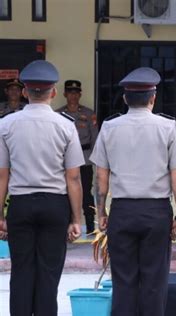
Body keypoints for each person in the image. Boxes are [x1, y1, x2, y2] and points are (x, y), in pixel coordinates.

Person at [90, 67, 176, 316]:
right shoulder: (168, 127)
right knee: (154, 282)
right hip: (156, 212)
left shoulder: (110, 128)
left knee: (123, 281)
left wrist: (101, 212)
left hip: (122, 211)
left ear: (125, 99)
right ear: (152, 98)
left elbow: (101, 176)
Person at [0, 60, 84, 315]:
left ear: (25, 91)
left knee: (22, 271)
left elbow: (2, 175)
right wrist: (76, 219)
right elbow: (73, 178)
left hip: (21, 204)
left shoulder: (6, 124)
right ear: (54, 92)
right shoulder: (66, 126)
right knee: (49, 273)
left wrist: (0, 216)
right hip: (54, 205)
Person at [56, 80, 98, 234]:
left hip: (84, 157)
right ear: (65, 94)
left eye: (76, 92)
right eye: (70, 92)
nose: (73, 95)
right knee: (65, 191)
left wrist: (94, 160)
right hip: (64, 159)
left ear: (80, 94)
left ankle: (90, 226)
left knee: (86, 192)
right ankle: (67, 225)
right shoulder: (58, 114)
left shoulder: (88, 114)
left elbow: (95, 138)